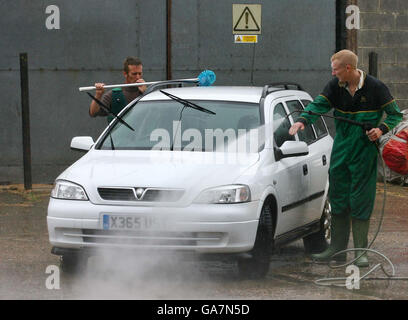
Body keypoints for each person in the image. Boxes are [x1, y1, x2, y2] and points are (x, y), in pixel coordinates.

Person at [289, 49, 402, 267]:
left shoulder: (376, 88)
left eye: (336, 69)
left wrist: (380, 129)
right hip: (341, 147)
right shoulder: (334, 87)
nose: (333, 74)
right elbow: (318, 106)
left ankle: (360, 252)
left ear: (348, 68)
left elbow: (396, 114)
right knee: (338, 196)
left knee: (360, 198)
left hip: (364, 149)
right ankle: (337, 250)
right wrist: (302, 120)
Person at [89, 56, 147, 122]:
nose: (138, 77)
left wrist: (146, 93)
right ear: (125, 74)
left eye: (140, 73)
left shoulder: (147, 93)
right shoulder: (114, 94)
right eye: (134, 74)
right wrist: (98, 95)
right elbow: (93, 113)